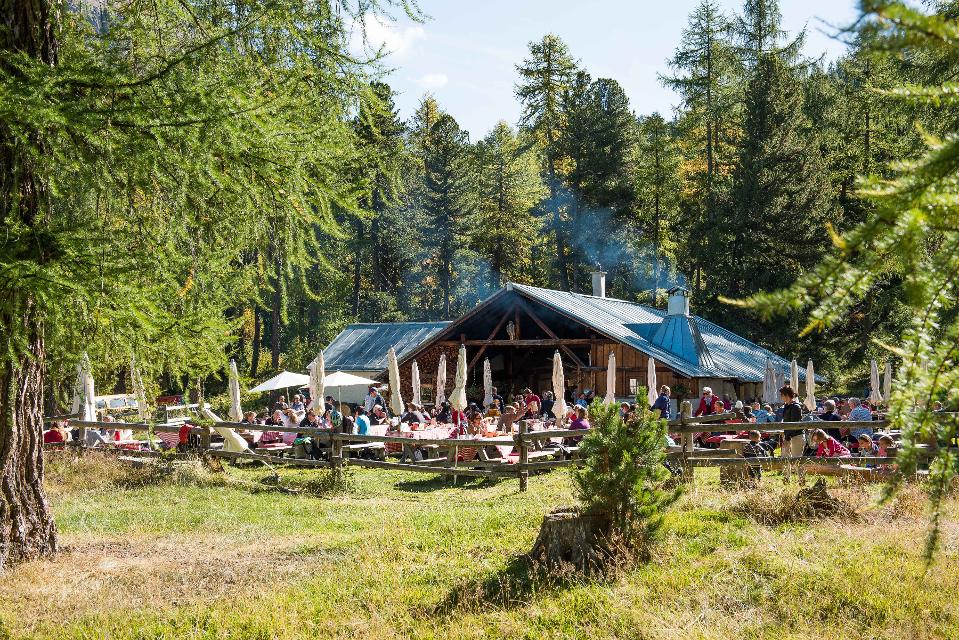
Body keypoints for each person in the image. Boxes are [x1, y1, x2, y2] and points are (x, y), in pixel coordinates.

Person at [780, 386, 805, 458]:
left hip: (796, 436)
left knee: (796, 459)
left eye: (782, 395)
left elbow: (795, 424)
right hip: (788, 435)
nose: (781, 397)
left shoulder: (796, 407)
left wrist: (787, 438)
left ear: (786, 395)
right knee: (785, 458)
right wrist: (786, 437)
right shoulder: (786, 406)